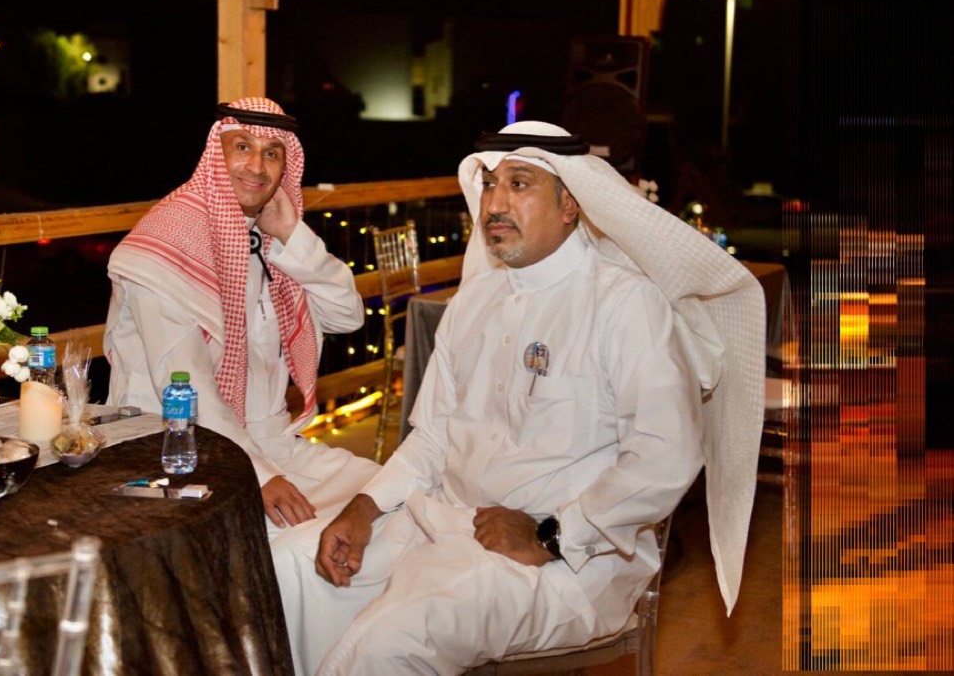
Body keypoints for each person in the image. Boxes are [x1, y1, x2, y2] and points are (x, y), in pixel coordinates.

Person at [272, 120, 766, 675]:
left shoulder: (625, 304)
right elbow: (432, 436)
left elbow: (665, 454)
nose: (495, 203)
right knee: (292, 571)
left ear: (570, 204)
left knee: (394, 639)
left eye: (519, 184)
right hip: (444, 521)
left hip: (568, 565)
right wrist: (363, 509)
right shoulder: (473, 301)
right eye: (489, 185)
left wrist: (551, 534)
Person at [104, 97, 380, 531]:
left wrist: (292, 233)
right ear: (216, 155)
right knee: (313, 541)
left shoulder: (267, 241)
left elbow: (347, 317)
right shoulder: (166, 245)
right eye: (243, 147)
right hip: (178, 453)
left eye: (272, 153)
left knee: (387, 496)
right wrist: (260, 475)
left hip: (272, 444)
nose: (256, 166)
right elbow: (185, 384)